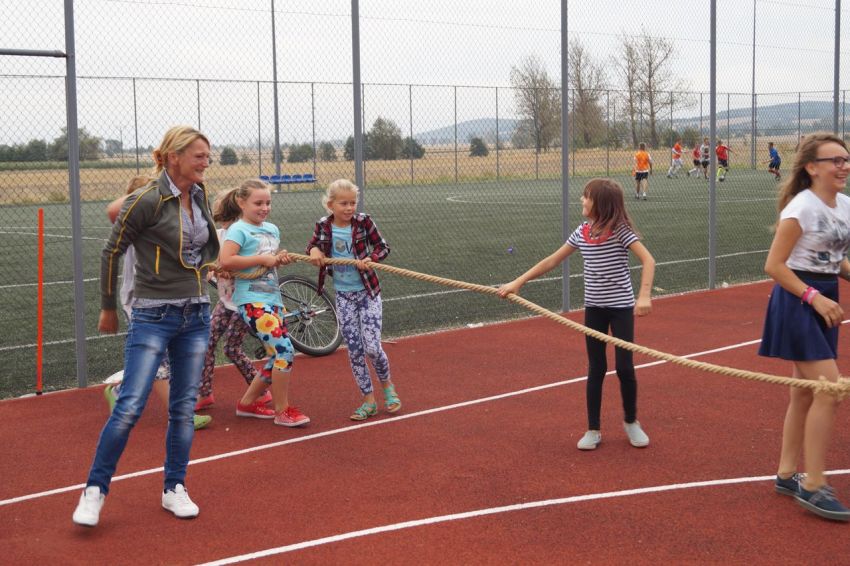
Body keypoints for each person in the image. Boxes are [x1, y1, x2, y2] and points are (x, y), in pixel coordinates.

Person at [73, 126, 219, 527]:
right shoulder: (147, 199)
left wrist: (209, 267)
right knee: (130, 406)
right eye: (199, 156)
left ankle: (175, 487)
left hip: (196, 314)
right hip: (153, 315)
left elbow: (199, 249)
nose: (206, 163)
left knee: (183, 409)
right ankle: (94, 491)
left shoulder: (200, 194)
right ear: (174, 157)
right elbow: (111, 251)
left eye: (208, 156)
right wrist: (108, 308)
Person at [498, 178, 655, 451]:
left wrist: (643, 295)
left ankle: (631, 421)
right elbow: (552, 260)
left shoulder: (620, 231)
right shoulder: (582, 232)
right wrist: (518, 282)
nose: (582, 200)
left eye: (587, 196)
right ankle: (593, 429)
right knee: (596, 367)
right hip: (594, 309)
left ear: (601, 203)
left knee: (624, 367)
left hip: (620, 309)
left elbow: (648, 260)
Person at [759, 132, 850, 522]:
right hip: (798, 302)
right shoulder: (801, 207)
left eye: (846, 159)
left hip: (823, 299)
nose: (844, 166)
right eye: (835, 160)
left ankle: (786, 474)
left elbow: (832, 258)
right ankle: (813, 483)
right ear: (812, 167)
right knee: (830, 390)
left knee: (805, 394)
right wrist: (814, 297)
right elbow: (774, 265)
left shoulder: (845, 205)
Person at [103, 176, 212, 431]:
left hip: (170, 298)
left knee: (158, 356)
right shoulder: (136, 224)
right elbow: (115, 212)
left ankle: (120, 390)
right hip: (141, 300)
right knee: (159, 357)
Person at [217, 179, 310, 427]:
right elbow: (226, 260)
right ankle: (282, 411)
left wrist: (278, 259)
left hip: (273, 299)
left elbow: (268, 263)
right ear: (241, 202)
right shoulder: (238, 230)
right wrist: (263, 259)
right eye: (258, 203)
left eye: (268, 202)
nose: (264, 208)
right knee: (285, 351)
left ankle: (247, 404)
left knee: (274, 355)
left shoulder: (272, 229)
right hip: (252, 301)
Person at [306, 179, 399, 421]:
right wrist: (314, 252)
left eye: (352, 203)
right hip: (344, 296)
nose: (349, 208)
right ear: (330, 205)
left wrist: (372, 258)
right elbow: (313, 246)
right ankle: (368, 400)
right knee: (355, 351)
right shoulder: (323, 225)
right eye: (343, 203)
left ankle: (387, 386)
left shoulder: (363, 222)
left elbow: (383, 247)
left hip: (368, 293)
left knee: (372, 347)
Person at [194, 190, 268, 412]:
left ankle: (261, 391)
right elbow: (211, 257)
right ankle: (204, 393)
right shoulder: (220, 234)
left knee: (231, 348)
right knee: (207, 342)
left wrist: (229, 268)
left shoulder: (243, 235)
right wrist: (211, 267)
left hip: (244, 303)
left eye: (220, 209)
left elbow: (250, 263)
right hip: (226, 302)